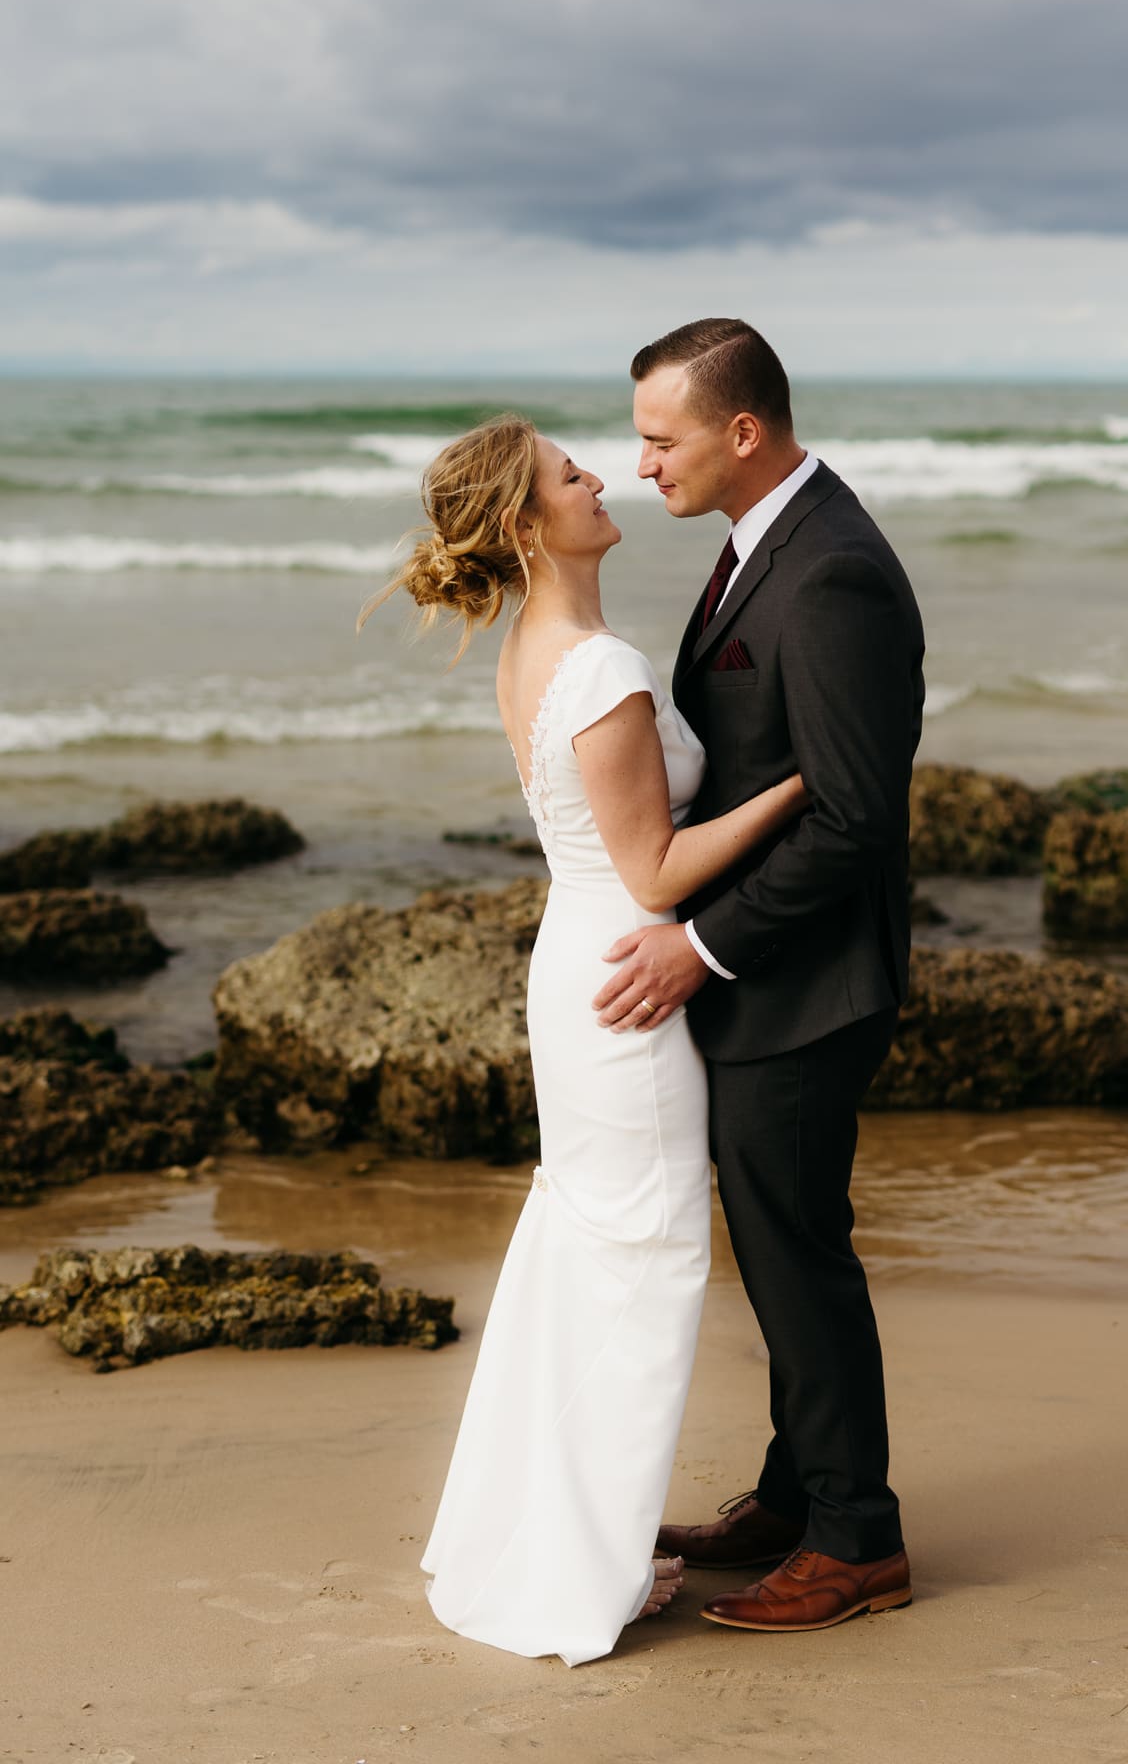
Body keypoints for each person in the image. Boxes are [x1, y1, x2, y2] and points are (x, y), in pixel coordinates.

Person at [359, 413, 808, 1666]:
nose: (599, 476)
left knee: (586, 1248)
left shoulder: (536, 649)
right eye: (570, 473)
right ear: (523, 521)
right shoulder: (598, 666)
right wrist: (798, 787)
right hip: (626, 976)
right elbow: (654, 865)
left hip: (584, 959)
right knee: (642, 1262)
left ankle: (555, 1529)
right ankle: (580, 1557)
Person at [592, 318, 925, 1634]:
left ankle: (858, 1541)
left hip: (810, 981)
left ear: (742, 431)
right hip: (772, 977)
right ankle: (796, 1496)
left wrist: (704, 945)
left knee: (800, 1255)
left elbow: (855, 818)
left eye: (659, 438)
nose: (640, 464)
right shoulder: (764, 544)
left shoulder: (832, 571)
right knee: (781, 1246)